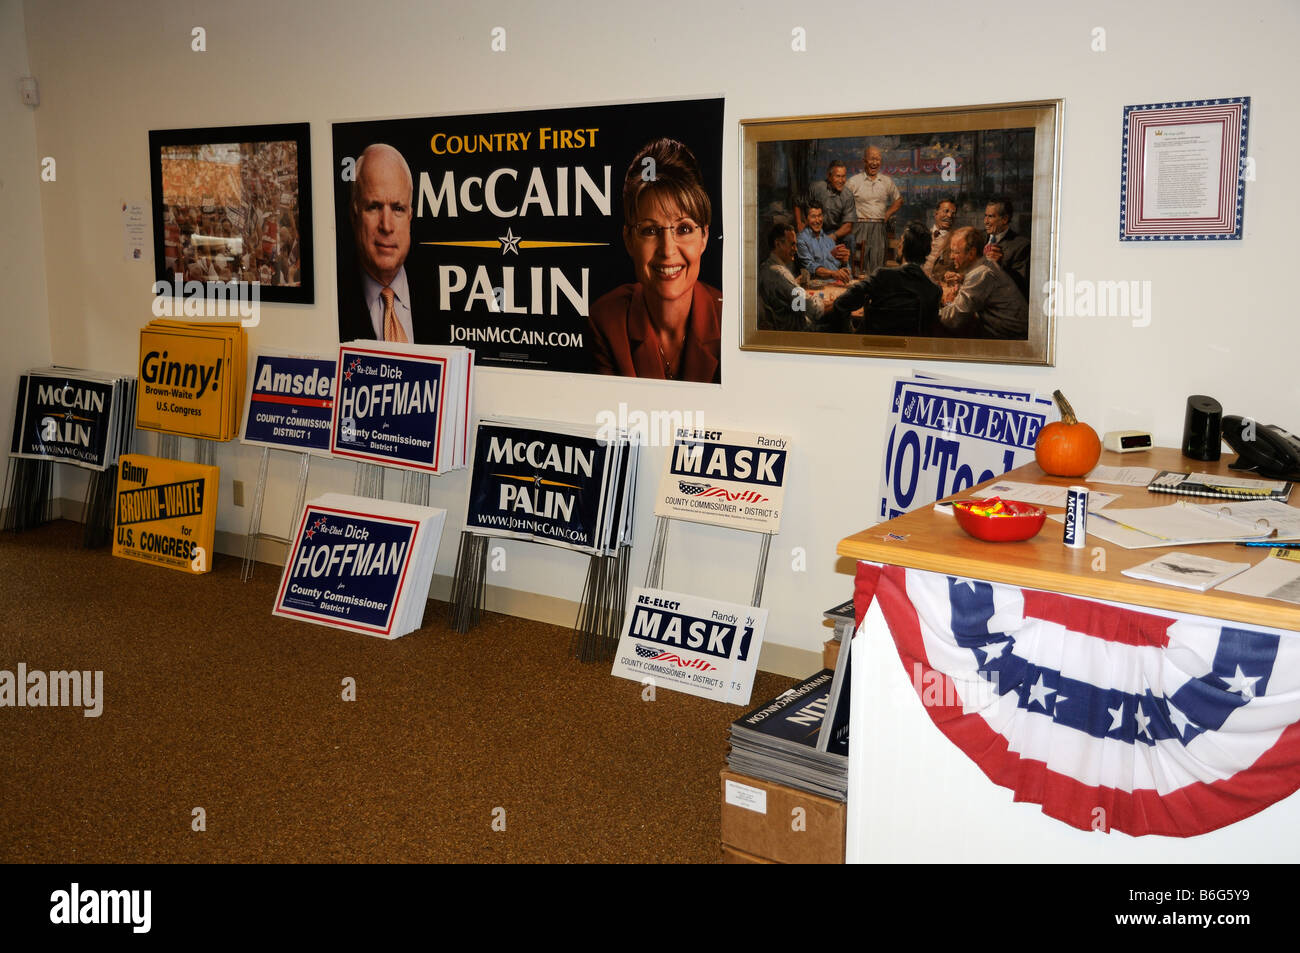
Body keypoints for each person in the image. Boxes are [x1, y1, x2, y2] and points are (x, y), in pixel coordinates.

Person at [587, 138, 721, 382]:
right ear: (629, 239)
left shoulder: (732, 322)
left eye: (684, 229)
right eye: (649, 230)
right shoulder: (605, 321)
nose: (667, 250)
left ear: (704, 237)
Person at [337, 143, 434, 344]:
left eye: (398, 209)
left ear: (410, 217)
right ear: (354, 215)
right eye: (374, 207)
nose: (387, 226)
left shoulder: (439, 290)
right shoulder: (334, 297)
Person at [830, 222, 940, 335]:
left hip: (870, 347)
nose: (898, 246)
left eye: (901, 242)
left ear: (902, 247)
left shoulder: (882, 275)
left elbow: (841, 303)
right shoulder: (934, 290)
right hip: (909, 350)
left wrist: (849, 336)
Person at [939, 226, 1028, 338]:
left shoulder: (980, 274)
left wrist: (946, 302)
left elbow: (953, 319)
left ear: (971, 253)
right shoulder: (986, 263)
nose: (951, 256)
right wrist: (962, 279)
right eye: (951, 251)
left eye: (956, 252)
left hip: (1009, 338)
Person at [758, 222, 826, 332]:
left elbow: (794, 303)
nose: (796, 249)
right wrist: (821, 300)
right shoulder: (780, 273)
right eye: (792, 244)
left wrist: (793, 283)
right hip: (795, 333)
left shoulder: (764, 267)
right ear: (778, 244)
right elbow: (812, 309)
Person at [847, 146, 902, 275]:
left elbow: (899, 200)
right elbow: (843, 203)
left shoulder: (886, 181)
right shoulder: (853, 181)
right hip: (859, 226)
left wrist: (887, 214)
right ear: (864, 161)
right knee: (858, 262)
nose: (874, 163)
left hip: (879, 227)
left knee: (878, 265)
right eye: (871, 159)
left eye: (877, 159)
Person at [982, 196, 1030, 300]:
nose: (986, 221)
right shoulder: (979, 238)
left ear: (1004, 219)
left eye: (990, 216)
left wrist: (1000, 265)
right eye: (985, 216)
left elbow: (1021, 284)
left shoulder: (1021, 245)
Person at [808, 160, 856, 261]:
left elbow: (848, 226)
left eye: (844, 176)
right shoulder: (817, 188)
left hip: (834, 232)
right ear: (829, 177)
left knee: (850, 238)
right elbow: (798, 202)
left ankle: (847, 271)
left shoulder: (847, 195)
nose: (841, 180)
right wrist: (801, 225)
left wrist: (832, 236)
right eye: (838, 176)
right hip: (814, 229)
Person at [796, 204, 850, 282]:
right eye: (813, 217)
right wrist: (833, 273)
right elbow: (810, 266)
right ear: (806, 219)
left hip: (836, 284)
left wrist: (844, 262)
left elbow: (839, 267)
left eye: (820, 216)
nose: (817, 220)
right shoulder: (801, 239)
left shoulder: (829, 240)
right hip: (817, 287)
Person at [922, 196, 957, 284]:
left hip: (940, 286)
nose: (949, 216)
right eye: (946, 211)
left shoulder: (956, 240)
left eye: (953, 213)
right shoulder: (922, 235)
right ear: (936, 213)